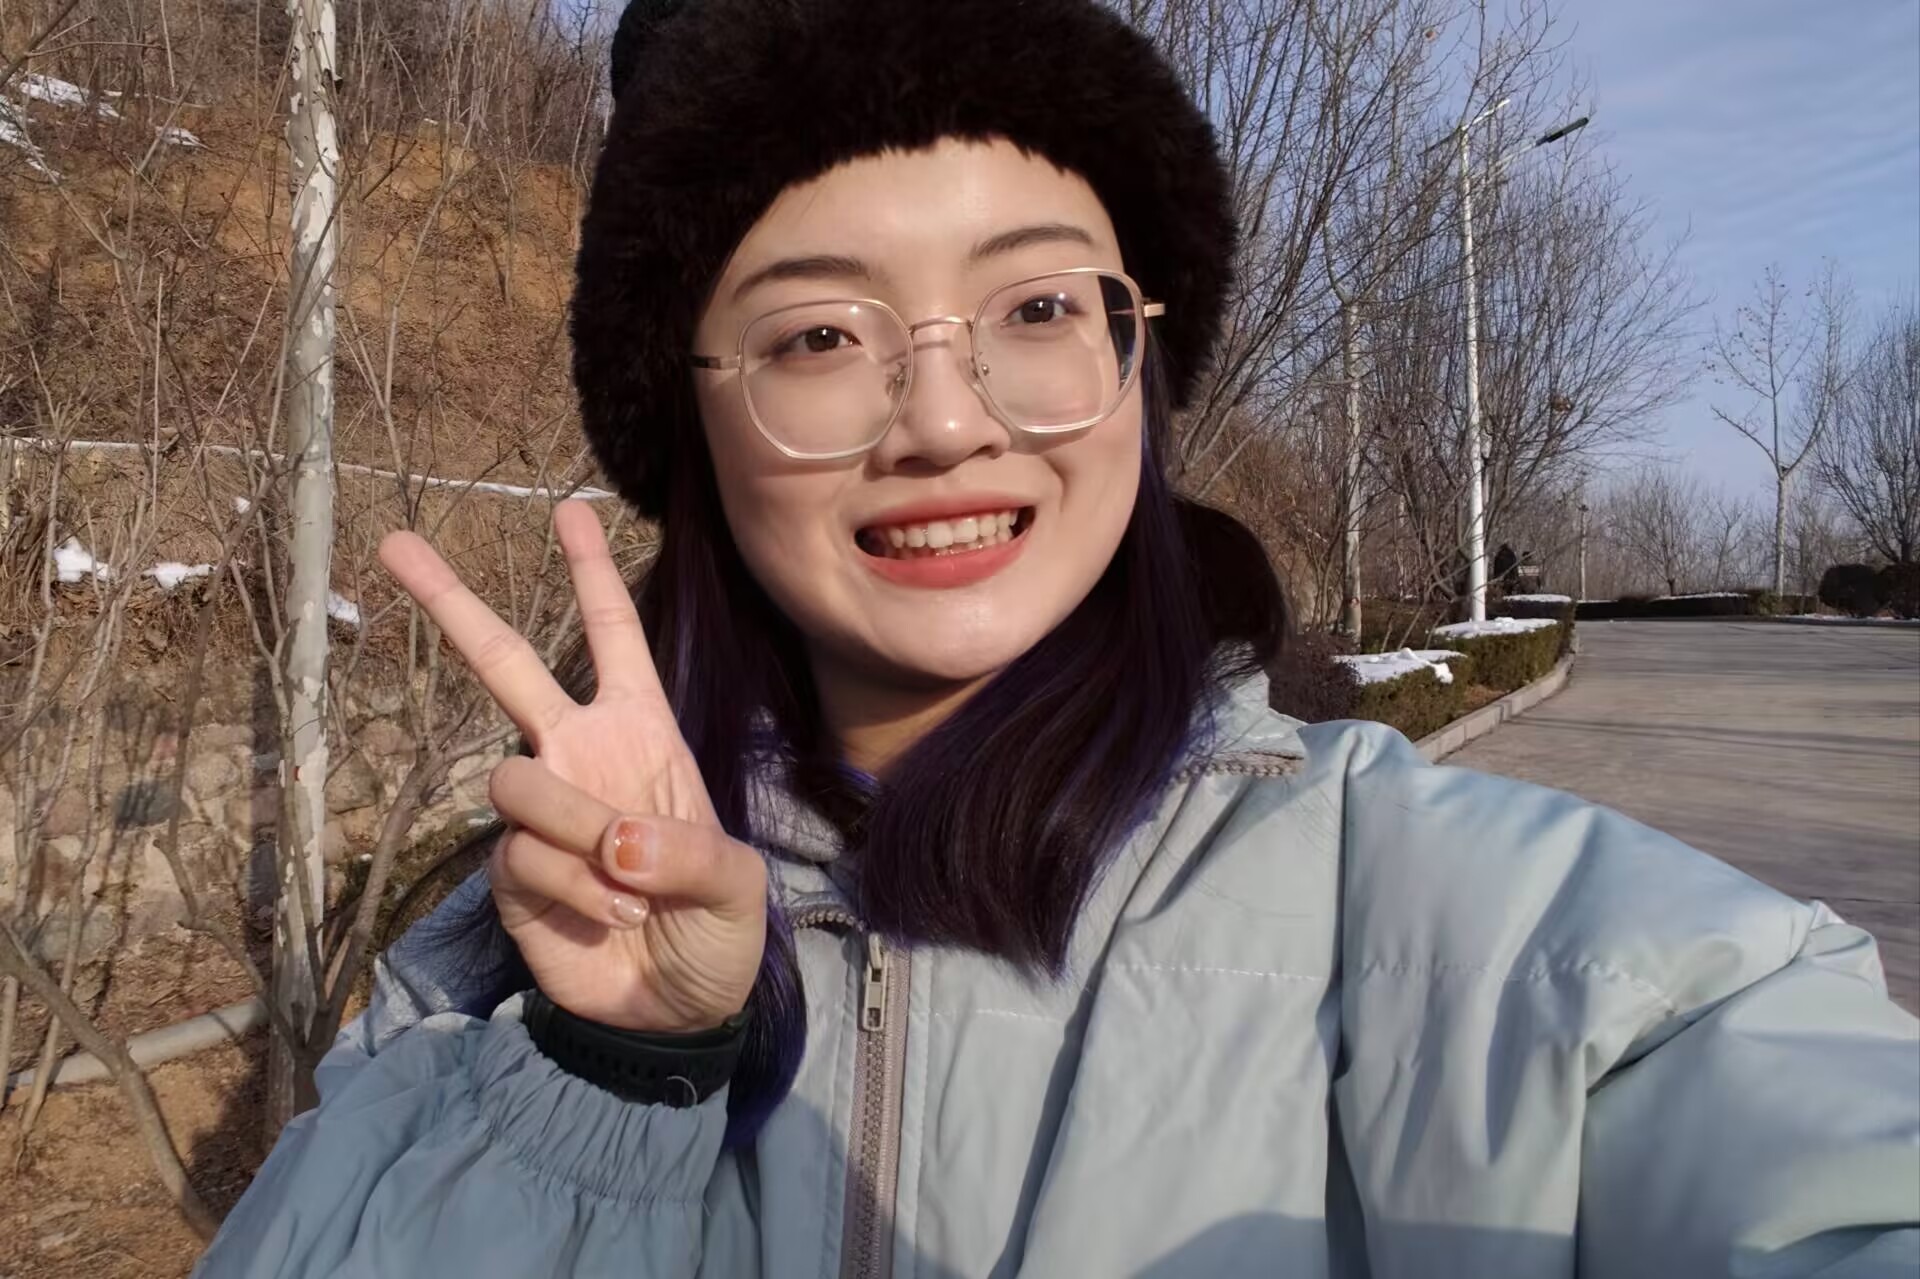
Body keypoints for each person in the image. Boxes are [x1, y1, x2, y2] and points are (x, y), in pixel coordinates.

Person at [197, 1, 1920, 1275]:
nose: (948, 420)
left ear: (1137, 357)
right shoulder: (498, 984)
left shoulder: (1453, 916)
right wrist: (611, 1079)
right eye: (819, 335)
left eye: (1035, 305)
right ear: (691, 422)